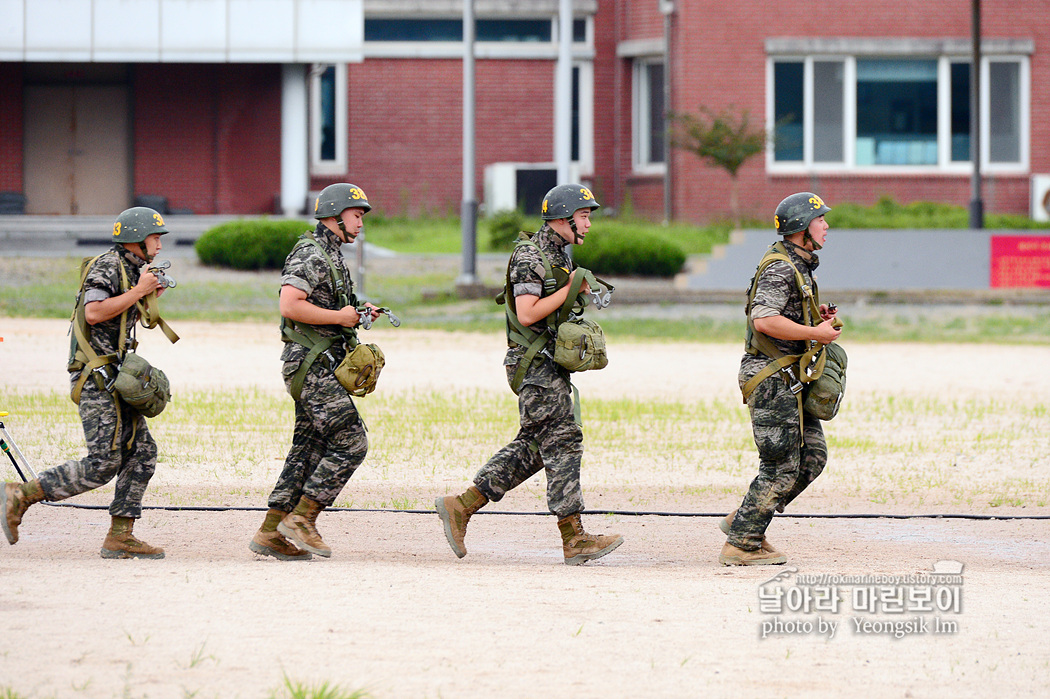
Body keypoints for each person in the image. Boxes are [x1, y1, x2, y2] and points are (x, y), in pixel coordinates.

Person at [435, 183, 623, 566]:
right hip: (532, 365)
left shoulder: (560, 255)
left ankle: (462, 505)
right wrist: (572, 288)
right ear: (562, 218)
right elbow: (527, 313)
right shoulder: (529, 255)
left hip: (547, 365)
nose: (588, 225)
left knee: (536, 447)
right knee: (565, 439)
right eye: (584, 216)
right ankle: (575, 538)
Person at [1, 207, 172, 558]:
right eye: (155, 238)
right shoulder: (109, 266)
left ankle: (120, 536)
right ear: (137, 240)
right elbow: (95, 312)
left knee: (142, 453)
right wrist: (140, 289)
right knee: (103, 462)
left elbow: (127, 312)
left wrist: (150, 290)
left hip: (115, 376)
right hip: (97, 379)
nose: (159, 244)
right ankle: (21, 494)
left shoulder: (130, 268)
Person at [249, 183, 382, 561]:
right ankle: (303, 518)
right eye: (356, 215)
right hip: (309, 363)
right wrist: (340, 317)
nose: (360, 223)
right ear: (335, 215)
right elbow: (290, 305)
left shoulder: (331, 253)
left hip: (320, 361)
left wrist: (356, 310)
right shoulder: (311, 252)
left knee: (308, 448)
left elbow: (328, 303)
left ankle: (271, 532)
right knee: (351, 440)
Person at [720, 192, 842, 566]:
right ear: (802, 227)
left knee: (813, 457)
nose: (826, 225)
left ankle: (747, 519)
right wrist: (815, 333)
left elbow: (780, 314)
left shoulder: (799, 264)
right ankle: (742, 544)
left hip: (790, 378)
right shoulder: (781, 267)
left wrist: (812, 318)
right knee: (781, 467)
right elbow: (764, 319)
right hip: (771, 379)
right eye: (820, 219)